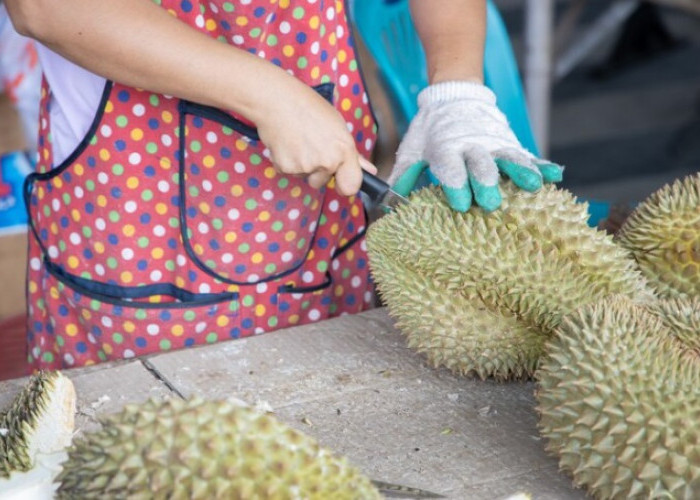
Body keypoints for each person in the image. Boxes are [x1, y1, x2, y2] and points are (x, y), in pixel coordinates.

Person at [5, 0, 562, 371]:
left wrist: (457, 87)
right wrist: (270, 95)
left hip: (327, 225)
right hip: (139, 254)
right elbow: (45, 8)